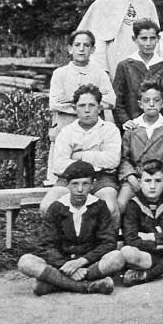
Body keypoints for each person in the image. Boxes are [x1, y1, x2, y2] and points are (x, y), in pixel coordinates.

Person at [18, 161, 124, 296]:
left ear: (92, 185)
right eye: (75, 184)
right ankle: (88, 286)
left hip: (89, 263)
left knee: (117, 258)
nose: (80, 189)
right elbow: (45, 244)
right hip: (61, 264)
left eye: (85, 184)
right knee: (25, 262)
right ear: (67, 184)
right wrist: (66, 265)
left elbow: (108, 242)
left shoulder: (100, 207)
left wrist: (81, 262)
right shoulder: (56, 207)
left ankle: (54, 284)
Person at [42, 84, 122, 226]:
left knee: (110, 207)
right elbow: (59, 165)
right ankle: (62, 243)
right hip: (69, 179)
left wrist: (80, 156)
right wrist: (96, 158)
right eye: (82, 105)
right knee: (47, 206)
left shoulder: (110, 130)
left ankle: (107, 244)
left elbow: (112, 160)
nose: (87, 110)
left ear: (99, 107)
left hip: (101, 178)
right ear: (74, 108)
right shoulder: (67, 132)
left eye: (92, 105)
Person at [46, 30, 115, 185]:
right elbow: (55, 103)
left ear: (93, 49)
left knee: (92, 166)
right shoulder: (60, 74)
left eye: (86, 45)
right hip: (65, 125)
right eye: (77, 45)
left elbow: (111, 101)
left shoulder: (100, 74)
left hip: (93, 129)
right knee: (63, 169)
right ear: (70, 48)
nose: (82, 49)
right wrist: (90, 104)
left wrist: (73, 103)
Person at [78, 0, 158, 77]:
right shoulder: (103, 3)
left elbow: (155, 41)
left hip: (142, 64)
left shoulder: (147, 4)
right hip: (112, 62)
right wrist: (102, 70)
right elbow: (95, 41)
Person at [117, 81, 163, 214]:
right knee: (120, 204)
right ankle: (124, 233)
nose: (151, 104)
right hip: (137, 177)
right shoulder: (132, 128)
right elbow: (124, 159)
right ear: (140, 104)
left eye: (156, 100)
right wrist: (132, 177)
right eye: (146, 100)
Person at [112, 18, 163, 128]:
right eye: (143, 39)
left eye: (152, 38)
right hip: (133, 127)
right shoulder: (125, 66)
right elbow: (117, 100)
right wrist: (124, 120)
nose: (148, 43)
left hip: (160, 127)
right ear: (135, 39)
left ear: (158, 39)